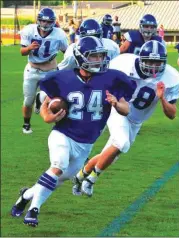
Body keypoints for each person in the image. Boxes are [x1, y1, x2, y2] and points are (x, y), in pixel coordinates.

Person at [11, 36, 136, 226]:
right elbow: (44, 104)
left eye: (101, 56)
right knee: (58, 166)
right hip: (63, 134)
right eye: (94, 57)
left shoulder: (112, 78)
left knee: (59, 178)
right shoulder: (62, 78)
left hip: (86, 143)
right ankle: (33, 210)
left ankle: (26, 195)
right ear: (81, 57)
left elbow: (126, 109)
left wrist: (117, 104)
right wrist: (47, 117)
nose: (100, 60)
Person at [72, 40, 179, 197]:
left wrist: (162, 98)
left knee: (111, 154)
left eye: (158, 62)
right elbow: (102, 80)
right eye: (150, 61)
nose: (153, 66)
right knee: (121, 143)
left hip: (137, 120)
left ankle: (80, 176)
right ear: (140, 58)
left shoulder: (171, 77)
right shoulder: (123, 64)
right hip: (119, 109)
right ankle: (91, 180)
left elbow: (172, 114)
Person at [34, 18, 121, 110]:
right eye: (88, 37)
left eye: (95, 36)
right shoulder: (73, 50)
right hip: (80, 79)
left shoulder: (112, 47)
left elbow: (116, 67)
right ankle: (42, 96)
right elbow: (61, 71)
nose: (92, 40)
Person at [20, 7, 69, 134]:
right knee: (27, 100)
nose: (45, 24)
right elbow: (22, 52)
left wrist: (65, 68)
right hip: (32, 70)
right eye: (43, 21)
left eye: (48, 22)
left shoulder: (59, 34)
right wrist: (29, 48)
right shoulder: (29, 30)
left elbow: (67, 53)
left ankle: (59, 125)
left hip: (50, 70)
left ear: (53, 22)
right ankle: (26, 124)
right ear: (38, 20)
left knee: (55, 99)